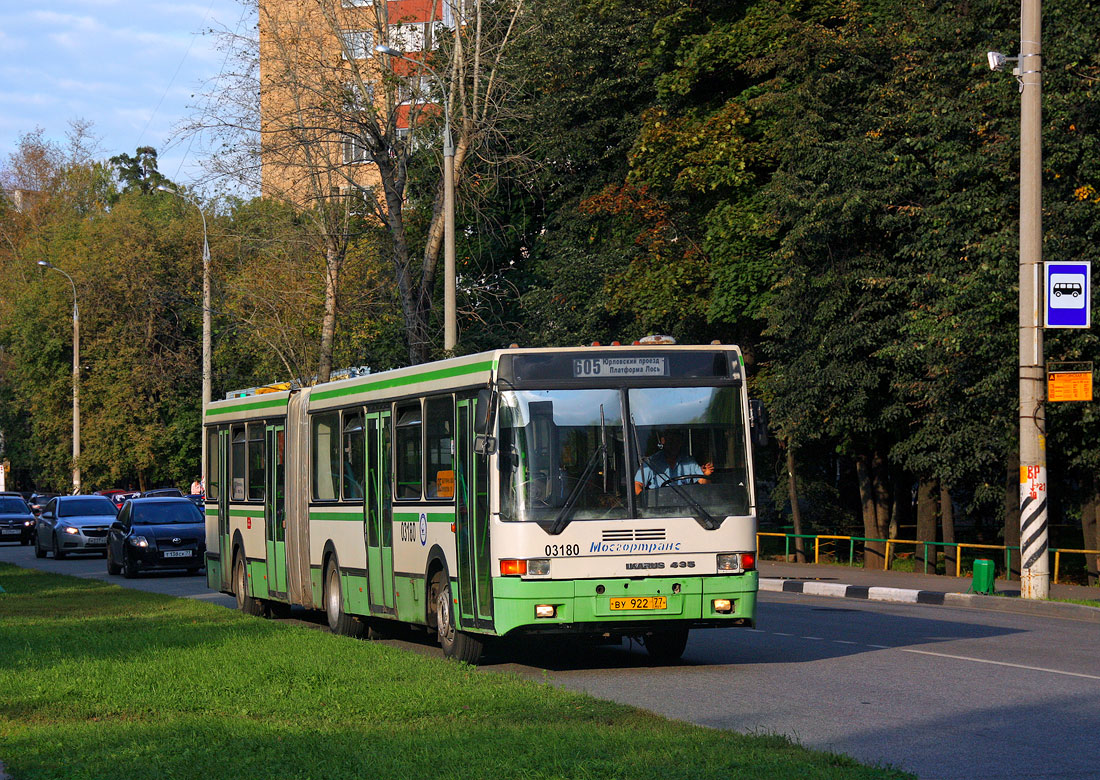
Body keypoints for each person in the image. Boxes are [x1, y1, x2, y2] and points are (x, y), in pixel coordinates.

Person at [634, 431, 713, 495]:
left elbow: (703, 484)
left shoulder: (688, 461)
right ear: (663, 441)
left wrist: (706, 475)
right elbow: (637, 485)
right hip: (658, 507)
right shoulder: (651, 462)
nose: (674, 445)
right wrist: (644, 501)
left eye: (677, 441)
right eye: (671, 441)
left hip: (686, 506)